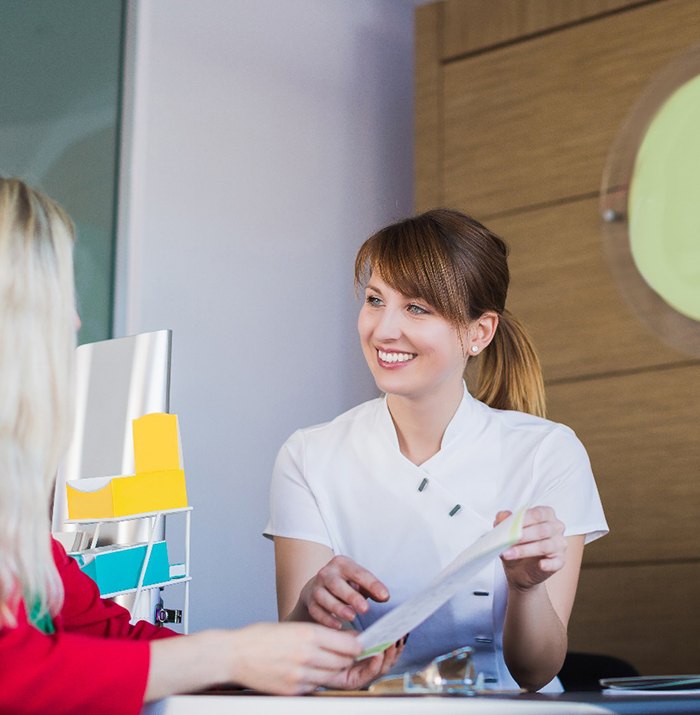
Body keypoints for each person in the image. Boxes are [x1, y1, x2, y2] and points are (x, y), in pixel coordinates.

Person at [0, 178, 398, 715]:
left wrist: (285, 666)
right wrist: (229, 656)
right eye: (58, 297)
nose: (74, 320)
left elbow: (105, 637)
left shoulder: (21, 533)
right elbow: (18, 670)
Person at [265, 208, 608, 693]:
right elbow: (298, 664)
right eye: (374, 300)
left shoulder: (548, 452)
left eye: (417, 308)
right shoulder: (308, 455)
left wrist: (527, 588)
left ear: (479, 333)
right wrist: (311, 606)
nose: (384, 330)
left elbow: (536, 670)